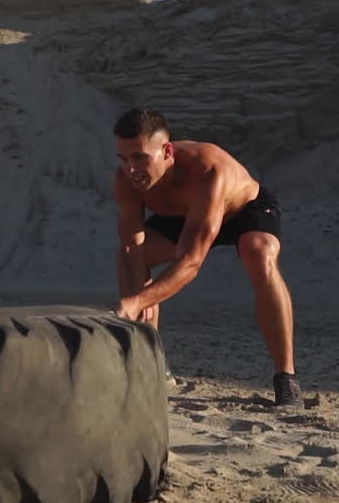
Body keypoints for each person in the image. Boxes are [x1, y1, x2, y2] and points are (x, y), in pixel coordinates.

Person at [111, 108, 302, 408]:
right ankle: (152, 363)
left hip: (242, 211)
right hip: (188, 215)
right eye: (123, 159)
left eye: (139, 158)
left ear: (167, 151)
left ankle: (286, 378)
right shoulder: (127, 181)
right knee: (134, 258)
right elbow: (131, 248)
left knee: (259, 253)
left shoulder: (208, 171)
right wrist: (139, 297)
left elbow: (190, 262)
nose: (131, 168)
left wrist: (137, 301)